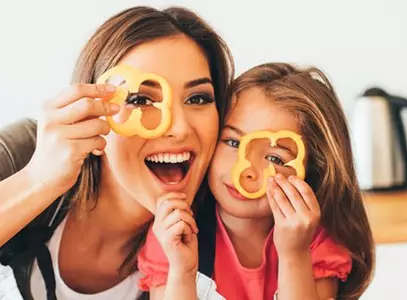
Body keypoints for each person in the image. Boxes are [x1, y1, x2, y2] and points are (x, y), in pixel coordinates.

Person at [0, 5, 233, 300]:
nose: (179, 128)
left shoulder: (212, 252)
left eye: (198, 98)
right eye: (141, 99)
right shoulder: (24, 154)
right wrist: (39, 181)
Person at [138, 62, 376, 300]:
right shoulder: (174, 230)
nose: (246, 171)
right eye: (233, 143)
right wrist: (182, 271)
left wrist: (294, 254)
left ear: (312, 172)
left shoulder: (315, 241)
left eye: (274, 157)